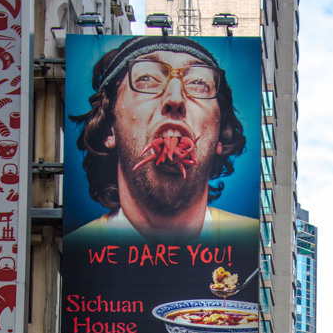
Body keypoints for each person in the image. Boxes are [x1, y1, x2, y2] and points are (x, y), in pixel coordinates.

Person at [68, 36, 258, 244]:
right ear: (108, 130)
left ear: (220, 136)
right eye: (147, 79)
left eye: (198, 83)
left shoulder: (250, 241)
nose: (175, 97)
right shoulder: (79, 248)